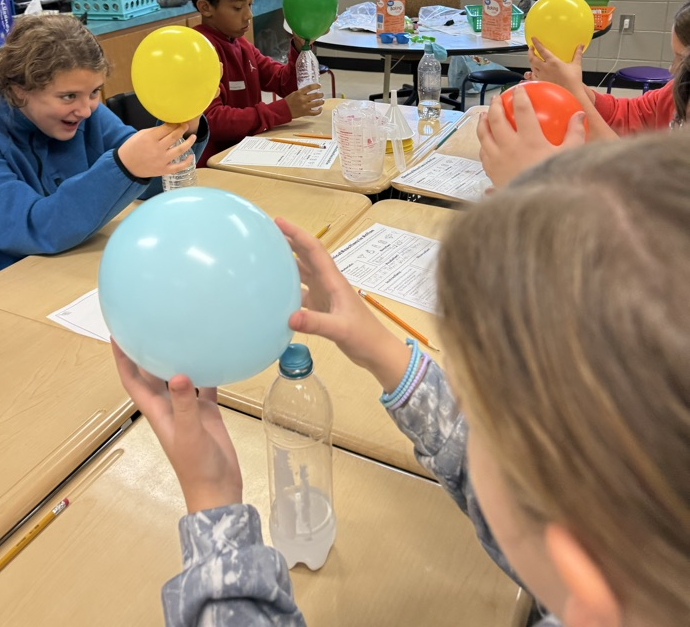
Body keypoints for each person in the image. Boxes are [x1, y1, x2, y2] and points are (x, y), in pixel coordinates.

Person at [113, 132, 690, 627]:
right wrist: (385, 352)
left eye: (473, 402)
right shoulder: (644, 569)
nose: (460, 407)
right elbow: (529, 502)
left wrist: (213, 507)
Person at [0, 14, 208, 294]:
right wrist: (126, 168)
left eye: (95, 92)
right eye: (68, 97)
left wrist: (185, 128)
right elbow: (29, 226)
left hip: (63, 269)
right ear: (19, 91)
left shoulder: (80, 109)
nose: (87, 109)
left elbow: (146, 181)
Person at [176, 0, 323, 166]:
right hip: (215, 165)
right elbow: (213, 121)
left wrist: (300, 46)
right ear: (205, 8)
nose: (248, 15)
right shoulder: (197, 50)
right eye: (237, 7)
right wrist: (282, 110)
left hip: (245, 152)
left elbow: (284, 83)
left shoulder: (240, 44)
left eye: (249, 4)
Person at [527, 0, 690, 133]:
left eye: (682, 59)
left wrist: (573, 90)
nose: (672, 68)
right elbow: (630, 114)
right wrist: (569, 83)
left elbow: (625, 164)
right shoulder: (678, 90)